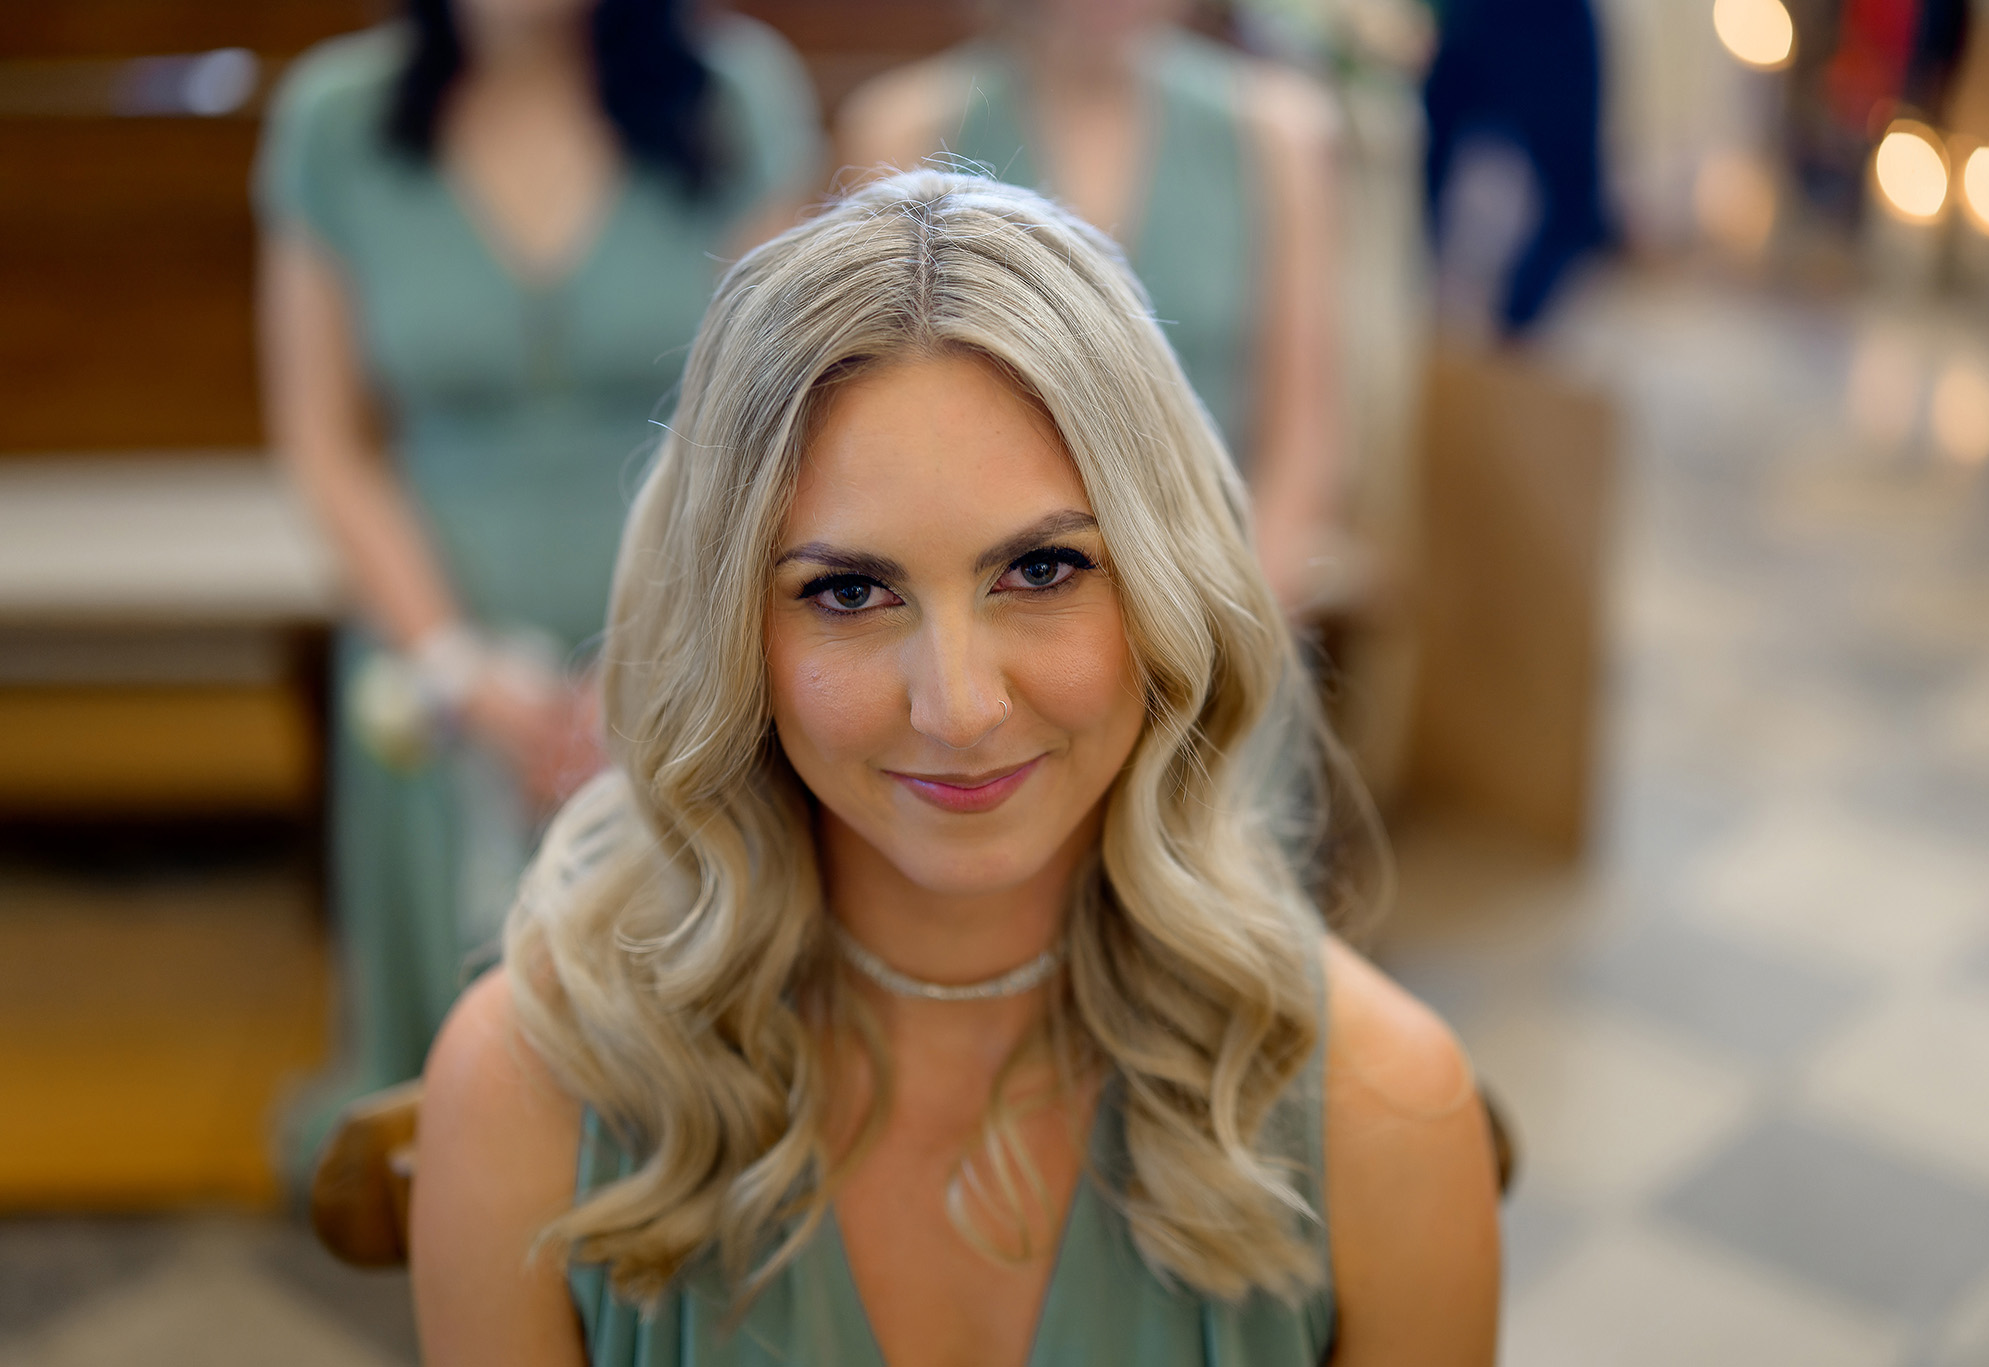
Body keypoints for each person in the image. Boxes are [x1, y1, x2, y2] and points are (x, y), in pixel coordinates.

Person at [411, 171, 1498, 1366]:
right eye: (848, 590)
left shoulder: (1383, 1111)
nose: (960, 707)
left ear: (1167, 588)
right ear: (733, 633)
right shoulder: (526, 1091)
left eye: (1040, 570)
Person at [254, 0, 821, 1154]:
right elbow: (323, 438)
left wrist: (656, 663)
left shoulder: (736, 93)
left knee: (696, 1046)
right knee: (459, 1077)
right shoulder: (333, 118)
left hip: (689, 634)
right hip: (434, 653)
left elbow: (774, 407)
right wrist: (455, 664)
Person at [836, 1, 1349, 618]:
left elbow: (1304, 435)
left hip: (1219, 582)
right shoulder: (905, 126)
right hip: (994, 590)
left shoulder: (1277, 132)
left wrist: (1240, 615)